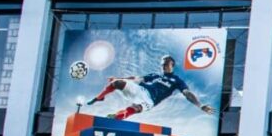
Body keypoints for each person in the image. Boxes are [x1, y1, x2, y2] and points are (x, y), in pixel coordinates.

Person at [86, 54, 216, 120]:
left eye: (167, 62)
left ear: (172, 64)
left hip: (150, 100)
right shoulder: (155, 75)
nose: (164, 63)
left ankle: (116, 117)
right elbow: (137, 79)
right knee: (117, 83)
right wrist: (119, 79)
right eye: (163, 62)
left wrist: (200, 105)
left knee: (136, 108)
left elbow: (188, 94)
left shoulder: (177, 80)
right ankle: (99, 98)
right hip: (142, 90)